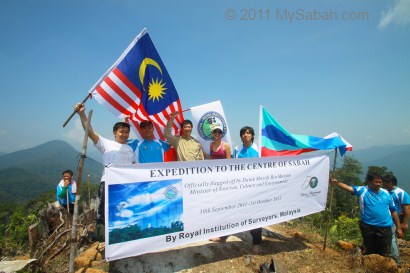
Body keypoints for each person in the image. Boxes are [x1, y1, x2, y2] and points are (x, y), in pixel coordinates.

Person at [75, 103, 135, 224]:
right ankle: (102, 236)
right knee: (105, 211)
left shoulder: (130, 149)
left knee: (123, 211)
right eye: (121, 132)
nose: (124, 134)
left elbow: (134, 167)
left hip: (125, 185)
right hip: (108, 183)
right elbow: (90, 132)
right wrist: (82, 114)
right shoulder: (106, 143)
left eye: (127, 132)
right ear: (115, 132)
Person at [330, 172, 403, 257]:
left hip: (385, 227)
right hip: (368, 226)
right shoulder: (362, 190)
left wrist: (399, 227)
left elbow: (393, 211)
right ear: (369, 181)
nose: (378, 184)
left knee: (385, 252)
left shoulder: (386, 193)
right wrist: (337, 183)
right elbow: (349, 188)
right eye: (376, 182)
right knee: (369, 250)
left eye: (380, 182)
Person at [234, 126, 262, 254]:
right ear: (241, 136)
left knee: (255, 214)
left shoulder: (258, 149)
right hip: (239, 187)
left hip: (255, 187)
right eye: (243, 133)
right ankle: (223, 235)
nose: (246, 135)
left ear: (252, 135)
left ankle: (256, 242)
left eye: (248, 133)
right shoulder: (237, 149)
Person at [206, 125, 232, 243]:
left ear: (221, 135)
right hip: (213, 178)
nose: (217, 135)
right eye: (215, 133)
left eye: (219, 133)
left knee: (225, 205)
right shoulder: (211, 145)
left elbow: (229, 162)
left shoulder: (225, 145)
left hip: (224, 178)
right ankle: (215, 228)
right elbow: (211, 159)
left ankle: (223, 235)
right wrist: (202, 153)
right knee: (215, 204)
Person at [382, 174, 410, 265]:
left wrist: (404, 223)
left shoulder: (401, 193)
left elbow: (407, 208)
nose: (383, 184)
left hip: (396, 219)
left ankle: (396, 261)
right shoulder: (385, 192)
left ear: (390, 182)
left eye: (384, 182)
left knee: (392, 237)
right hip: (386, 219)